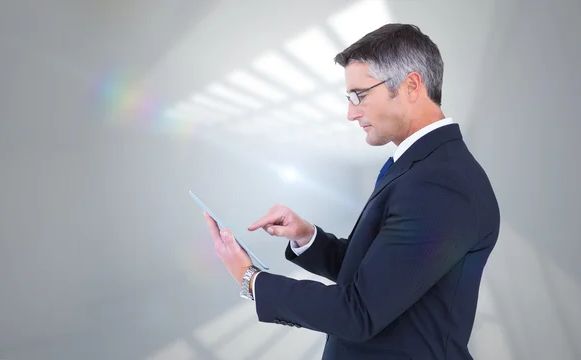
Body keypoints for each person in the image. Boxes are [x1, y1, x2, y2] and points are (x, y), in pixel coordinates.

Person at [203, 23, 500, 360]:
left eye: (359, 95)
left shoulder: (441, 184)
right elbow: (382, 273)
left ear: (411, 86)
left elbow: (360, 312)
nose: (350, 113)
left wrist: (251, 279)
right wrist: (308, 237)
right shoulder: (420, 168)